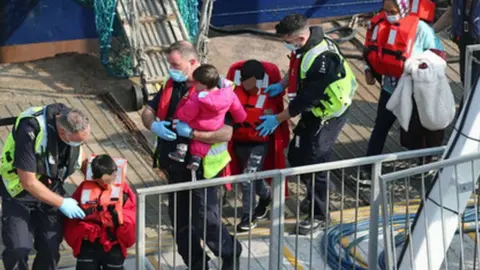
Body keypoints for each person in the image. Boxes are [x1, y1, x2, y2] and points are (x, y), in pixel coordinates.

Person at [141, 40, 242, 270]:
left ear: (193, 62)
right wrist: (153, 125)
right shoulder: (171, 85)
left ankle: (230, 251)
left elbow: (226, 132)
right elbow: (149, 109)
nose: (171, 69)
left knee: (206, 218)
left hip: (202, 168)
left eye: (175, 65)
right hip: (175, 166)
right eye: (170, 65)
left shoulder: (218, 90)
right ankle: (197, 264)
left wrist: (193, 133)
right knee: (181, 222)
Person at [256, 14, 358, 235]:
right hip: (314, 112)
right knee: (298, 155)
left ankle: (319, 214)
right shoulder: (307, 44)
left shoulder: (322, 60)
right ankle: (316, 194)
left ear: (300, 37)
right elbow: (296, 66)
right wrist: (282, 84)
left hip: (327, 114)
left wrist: (277, 119)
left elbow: (305, 101)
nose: (287, 44)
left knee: (314, 161)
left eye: (288, 40)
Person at [358, 0, 445, 185]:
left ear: (403, 8)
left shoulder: (422, 29)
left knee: (418, 129)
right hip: (390, 87)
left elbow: (438, 55)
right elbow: (368, 48)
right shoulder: (379, 26)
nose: (389, 14)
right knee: (381, 127)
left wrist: (420, 66)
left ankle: (423, 164)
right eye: (386, 10)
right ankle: (368, 168)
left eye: (393, 10)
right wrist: (368, 68)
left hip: (415, 90)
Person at [0, 103, 90, 270]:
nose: (80, 145)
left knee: (50, 247)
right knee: (19, 249)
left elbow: (80, 155)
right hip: (19, 193)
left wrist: (100, 177)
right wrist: (62, 203)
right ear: (63, 133)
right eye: (78, 142)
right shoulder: (30, 130)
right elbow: (28, 182)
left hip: (51, 189)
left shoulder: (71, 122)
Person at [223, 59, 290, 232]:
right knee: (255, 178)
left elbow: (280, 114)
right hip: (239, 143)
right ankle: (266, 197)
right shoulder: (232, 93)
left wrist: (275, 120)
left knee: (247, 178)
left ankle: (248, 217)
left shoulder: (269, 95)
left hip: (259, 144)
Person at [64, 154, 136, 270]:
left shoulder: (124, 192)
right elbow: (71, 221)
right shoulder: (83, 190)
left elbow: (132, 218)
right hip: (88, 243)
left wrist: (119, 219)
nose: (108, 183)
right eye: (104, 180)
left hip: (114, 244)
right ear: (94, 177)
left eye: (111, 178)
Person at [169, 64, 246, 170]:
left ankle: (181, 151)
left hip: (198, 124)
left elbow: (187, 114)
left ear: (203, 85)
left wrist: (178, 115)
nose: (194, 85)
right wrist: (239, 119)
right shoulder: (229, 94)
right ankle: (196, 159)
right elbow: (239, 114)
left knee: (179, 125)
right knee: (201, 142)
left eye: (196, 82)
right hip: (215, 126)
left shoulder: (198, 98)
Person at [434, 0, 480, 90]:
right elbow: (452, 13)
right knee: (466, 80)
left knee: (473, 88)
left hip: (477, 45)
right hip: (465, 43)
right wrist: (429, 31)